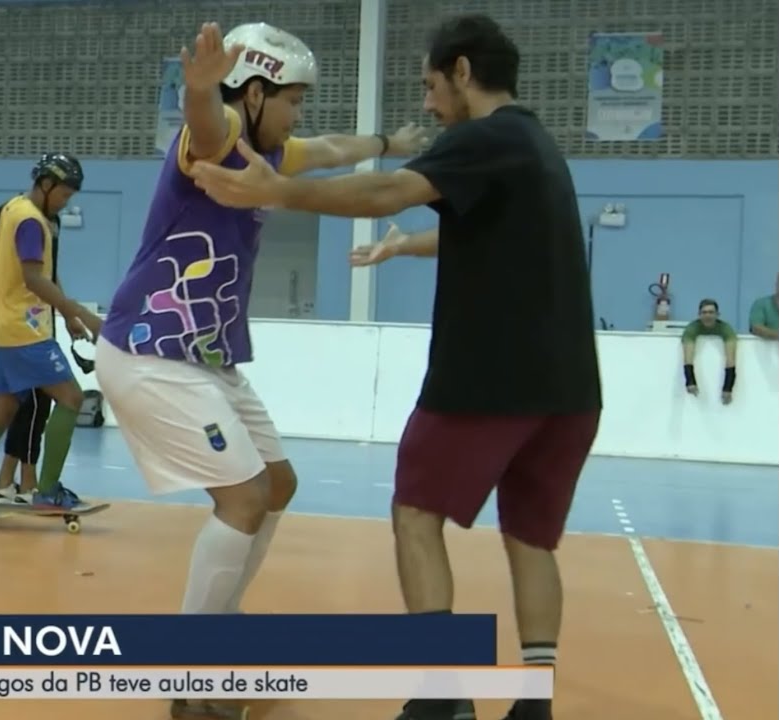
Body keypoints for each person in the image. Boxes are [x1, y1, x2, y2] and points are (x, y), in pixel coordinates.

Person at [188, 14, 602, 720]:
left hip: (490, 380)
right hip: (570, 394)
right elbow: (484, 234)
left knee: (415, 514)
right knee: (531, 537)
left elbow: (384, 191)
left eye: (432, 86)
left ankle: (443, 696)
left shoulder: (483, 136)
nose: (429, 103)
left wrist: (276, 192)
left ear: (463, 73)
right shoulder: (535, 145)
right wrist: (402, 248)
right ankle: (533, 701)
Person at [93, 20, 426, 720]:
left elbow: (334, 148)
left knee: (277, 483)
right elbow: (205, 123)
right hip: (153, 350)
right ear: (252, 91)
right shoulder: (210, 140)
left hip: (207, 358)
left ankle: (221, 631)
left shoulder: (273, 148)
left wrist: (387, 145)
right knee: (242, 499)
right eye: (293, 99)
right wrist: (198, 87)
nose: (299, 114)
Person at [0, 153, 101, 516]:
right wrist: (84, 316)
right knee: (71, 398)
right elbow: (33, 279)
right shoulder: (32, 222)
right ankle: (46, 491)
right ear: (46, 185)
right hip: (26, 329)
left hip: (2, 326)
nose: (66, 202)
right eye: (63, 195)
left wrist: (3, 279)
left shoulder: (13, 209)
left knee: (1, 411)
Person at [0, 203, 63, 505]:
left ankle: (7, 480)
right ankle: (30, 484)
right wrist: (73, 311)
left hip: (24, 322)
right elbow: (35, 278)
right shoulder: (23, 221)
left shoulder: (36, 220)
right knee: (40, 402)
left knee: (13, 406)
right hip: (25, 325)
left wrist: (63, 312)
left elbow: (50, 276)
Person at [682, 298, 739, 404]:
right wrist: (690, 381)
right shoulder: (691, 329)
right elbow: (688, 359)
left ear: (717, 314)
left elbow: (731, 360)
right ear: (699, 315)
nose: (707, 316)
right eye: (704, 313)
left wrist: (728, 388)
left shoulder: (726, 329)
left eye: (711, 312)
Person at [747, 272, 779, 340]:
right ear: (776, 284)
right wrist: (776, 335)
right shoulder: (762, 303)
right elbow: (756, 328)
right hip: (763, 349)